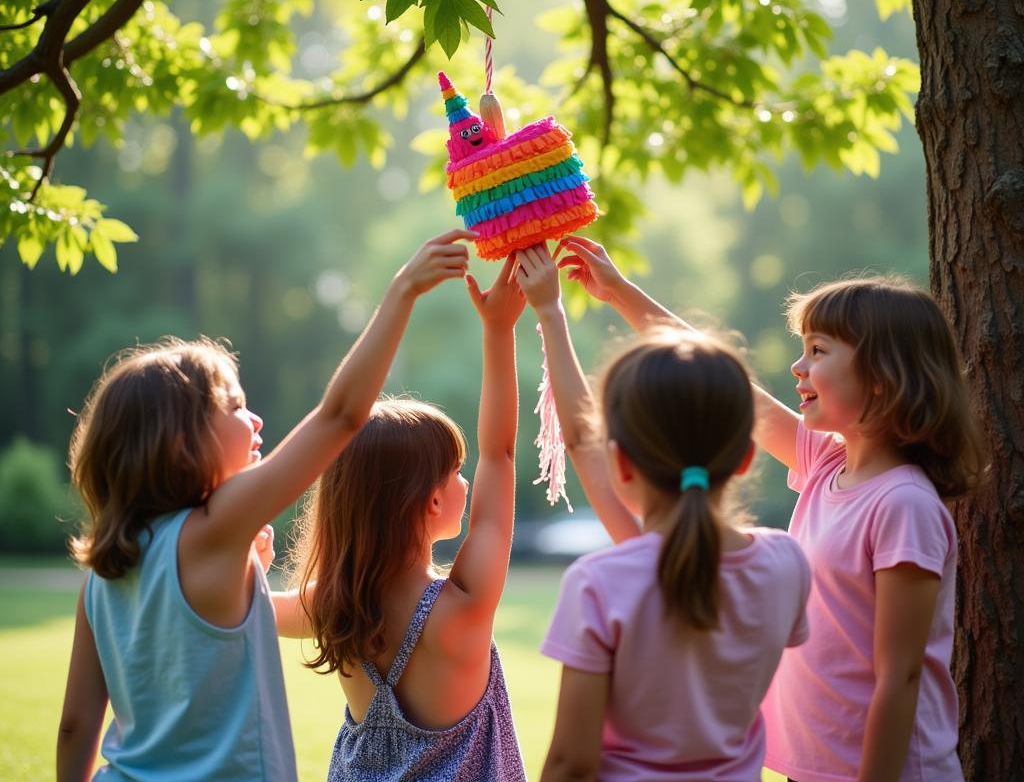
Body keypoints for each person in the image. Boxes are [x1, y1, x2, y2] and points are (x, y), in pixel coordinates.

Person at [551, 235, 988, 782]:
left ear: (883, 376)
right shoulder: (828, 464)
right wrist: (619, 294)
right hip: (815, 770)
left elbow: (898, 677)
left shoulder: (904, 504)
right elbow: (731, 386)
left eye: (819, 351)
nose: (798, 367)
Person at [56, 229, 477, 782]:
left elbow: (75, 726)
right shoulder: (212, 532)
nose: (254, 420)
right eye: (234, 404)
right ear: (182, 443)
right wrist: (402, 291)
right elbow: (340, 418)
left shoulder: (106, 574)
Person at [513, 244, 811, 782]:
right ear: (745, 457)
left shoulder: (602, 582)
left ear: (620, 464)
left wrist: (550, 312)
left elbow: (570, 763)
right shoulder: (787, 564)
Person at [272, 253, 528, 782]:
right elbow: (499, 452)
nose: (466, 481)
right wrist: (499, 329)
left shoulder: (330, 605)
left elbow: (242, 605)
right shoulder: (461, 611)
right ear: (431, 502)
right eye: (457, 472)